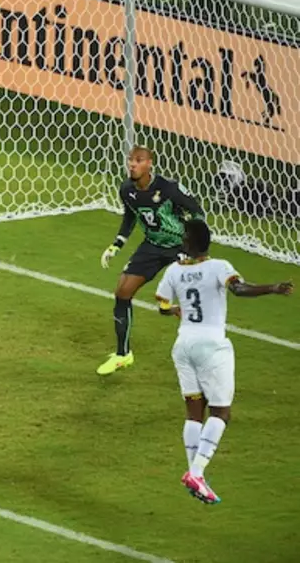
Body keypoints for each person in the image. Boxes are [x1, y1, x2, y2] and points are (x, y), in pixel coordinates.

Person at [155, 219, 292, 504]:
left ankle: (196, 476)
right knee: (221, 412)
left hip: (183, 345)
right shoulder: (219, 266)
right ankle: (196, 472)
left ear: (186, 243)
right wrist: (273, 288)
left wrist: (179, 310)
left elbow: (162, 307)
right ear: (208, 242)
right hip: (211, 346)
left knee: (194, 412)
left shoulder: (173, 271)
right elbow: (239, 290)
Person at [98, 146, 204, 376]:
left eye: (138, 160)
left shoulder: (168, 188)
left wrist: (193, 247)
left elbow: (198, 213)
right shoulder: (127, 190)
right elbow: (129, 217)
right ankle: (123, 354)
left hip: (179, 247)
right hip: (152, 246)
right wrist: (116, 244)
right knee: (122, 292)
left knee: (193, 303)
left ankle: (202, 358)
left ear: (149, 164)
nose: (132, 164)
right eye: (130, 160)